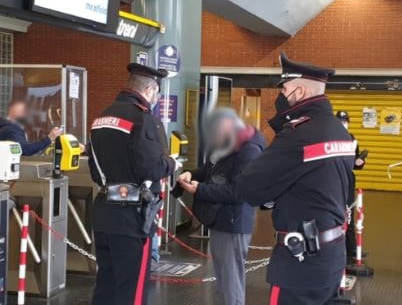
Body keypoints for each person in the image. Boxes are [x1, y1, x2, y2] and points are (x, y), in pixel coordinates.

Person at [211, 53, 355, 304]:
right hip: (332, 255)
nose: (282, 96)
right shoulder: (339, 131)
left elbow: (247, 187)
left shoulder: (298, 134)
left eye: (285, 89)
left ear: (299, 91)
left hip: (300, 265)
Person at [88, 63, 181, 305]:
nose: (156, 99)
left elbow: (94, 168)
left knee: (106, 285)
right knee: (132, 290)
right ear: (149, 90)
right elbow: (152, 168)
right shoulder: (143, 120)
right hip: (133, 218)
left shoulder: (101, 117)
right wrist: (172, 163)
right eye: (156, 94)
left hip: (103, 212)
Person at [178, 107, 265, 305]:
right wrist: (192, 174)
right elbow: (211, 170)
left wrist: (199, 189)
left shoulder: (249, 151)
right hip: (220, 220)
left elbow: (238, 193)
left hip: (233, 223)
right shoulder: (231, 144)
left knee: (231, 281)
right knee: (224, 279)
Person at [334, 110, 365, 261]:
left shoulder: (353, 140)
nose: (343, 124)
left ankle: (351, 247)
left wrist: (360, 162)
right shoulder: (329, 139)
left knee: (349, 214)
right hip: (334, 180)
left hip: (348, 180)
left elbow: (355, 164)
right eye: (340, 121)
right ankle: (335, 246)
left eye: (345, 121)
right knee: (335, 213)